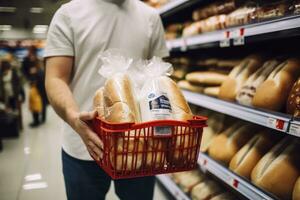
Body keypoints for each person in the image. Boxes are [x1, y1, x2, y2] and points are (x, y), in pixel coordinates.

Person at [44, 0, 169, 200]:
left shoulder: (150, 16)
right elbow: (56, 77)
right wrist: (73, 116)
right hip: (84, 144)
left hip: (140, 146)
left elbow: (159, 75)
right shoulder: (69, 14)